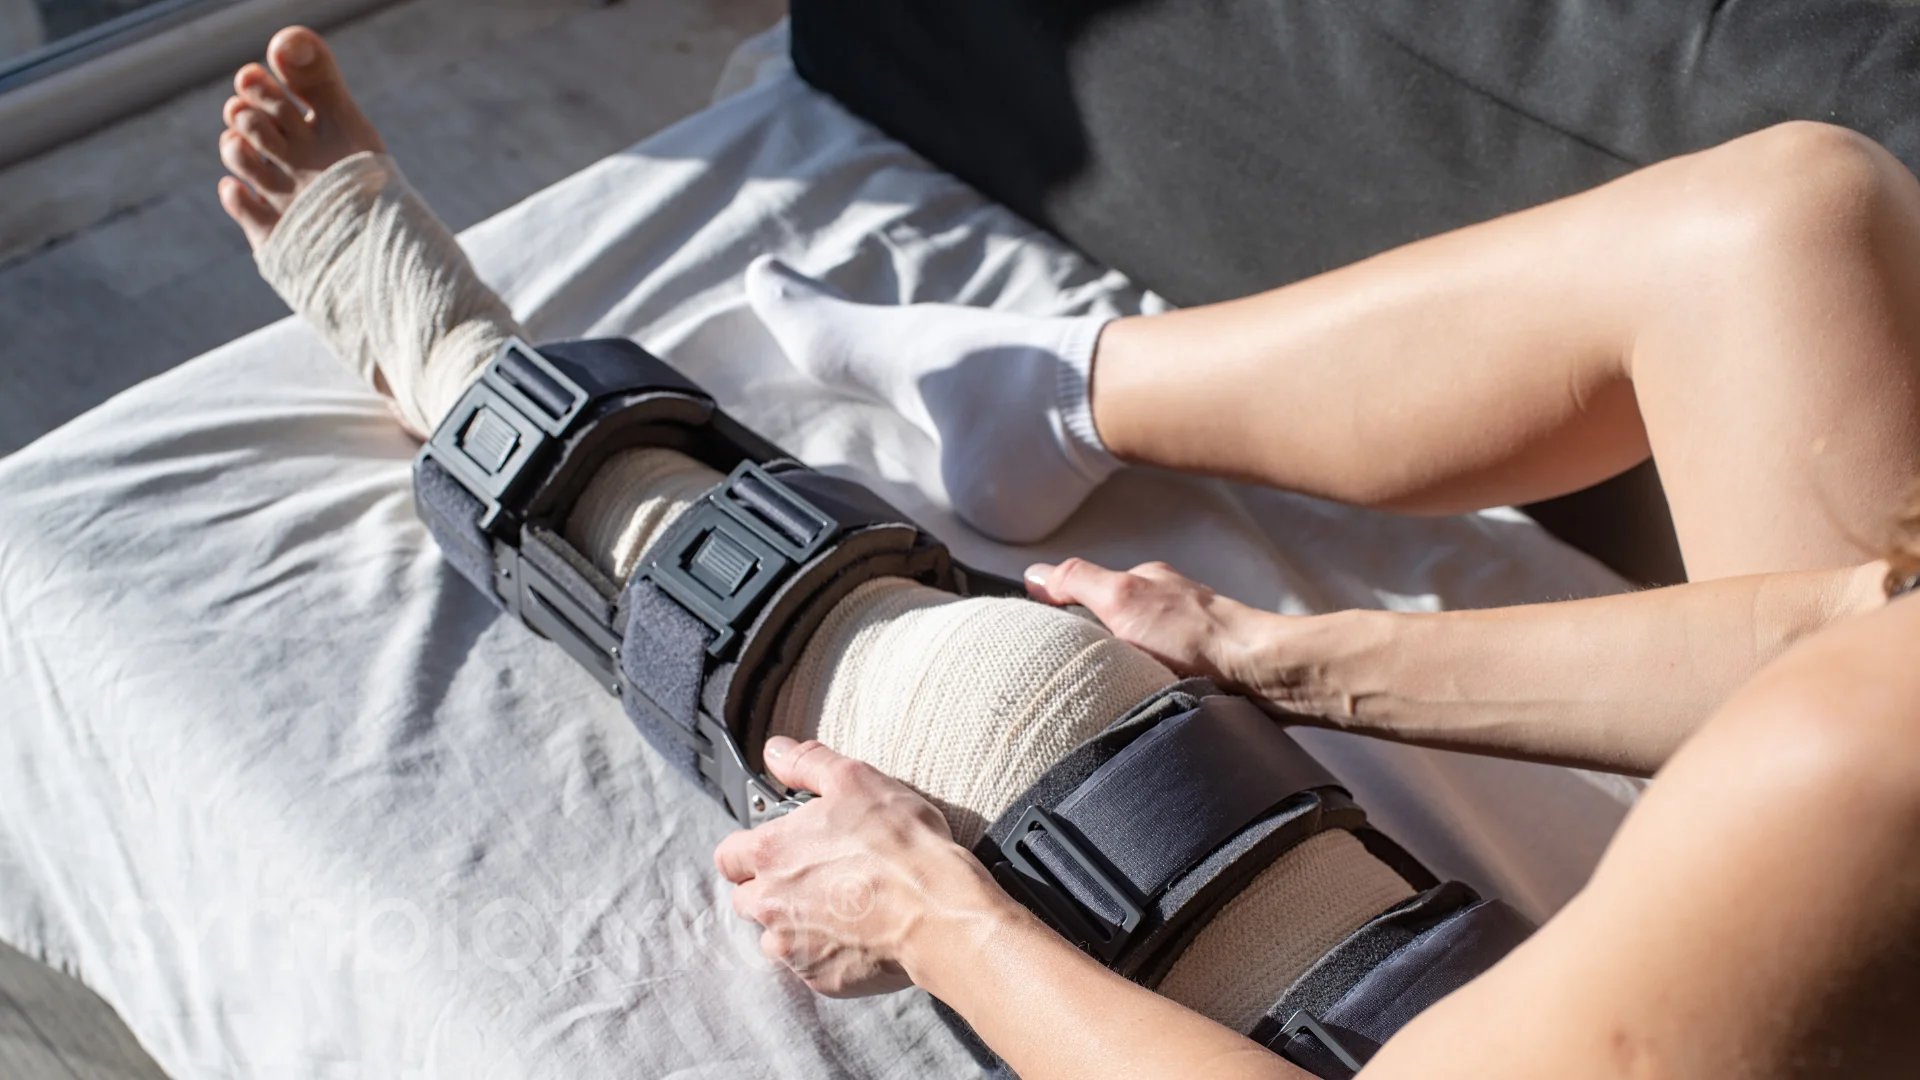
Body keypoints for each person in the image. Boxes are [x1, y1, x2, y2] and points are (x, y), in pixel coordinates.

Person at [219, 26, 1920, 1079]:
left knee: (1025, 720)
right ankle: (1053, 398)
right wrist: (1281, 657)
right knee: (1786, 225)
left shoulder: (1863, 785)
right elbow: (1854, 629)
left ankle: (455, 374)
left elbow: (1851, 713)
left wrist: (940, 915)